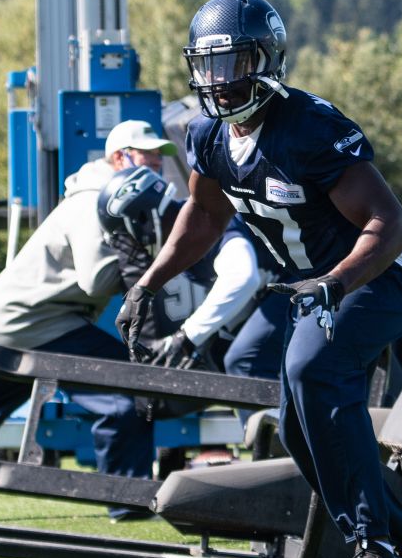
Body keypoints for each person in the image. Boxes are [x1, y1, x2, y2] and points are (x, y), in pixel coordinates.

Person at [116, 0, 402, 558]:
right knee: (298, 429)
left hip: (386, 273)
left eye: (234, 62)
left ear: (267, 60)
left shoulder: (311, 128)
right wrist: (146, 281)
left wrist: (333, 284)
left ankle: (374, 550)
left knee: (315, 370)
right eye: (209, 65)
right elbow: (204, 217)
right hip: (308, 285)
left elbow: (391, 227)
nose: (220, 80)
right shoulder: (208, 136)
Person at [0, 120, 178, 521]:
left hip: (5, 322)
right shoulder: (92, 202)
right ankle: (127, 501)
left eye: (158, 158)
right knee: (129, 389)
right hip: (33, 324)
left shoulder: (100, 197)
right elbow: (95, 282)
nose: (156, 165)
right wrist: (146, 265)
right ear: (119, 158)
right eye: (146, 155)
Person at [99, 166, 287, 473]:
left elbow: (243, 277)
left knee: (245, 361)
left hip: (296, 288)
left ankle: (278, 465)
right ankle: (276, 457)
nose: (128, 247)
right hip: (279, 294)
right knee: (229, 355)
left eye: (124, 236)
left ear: (143, 219)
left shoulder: (206, 221)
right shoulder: (186, 236)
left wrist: (186, 336)